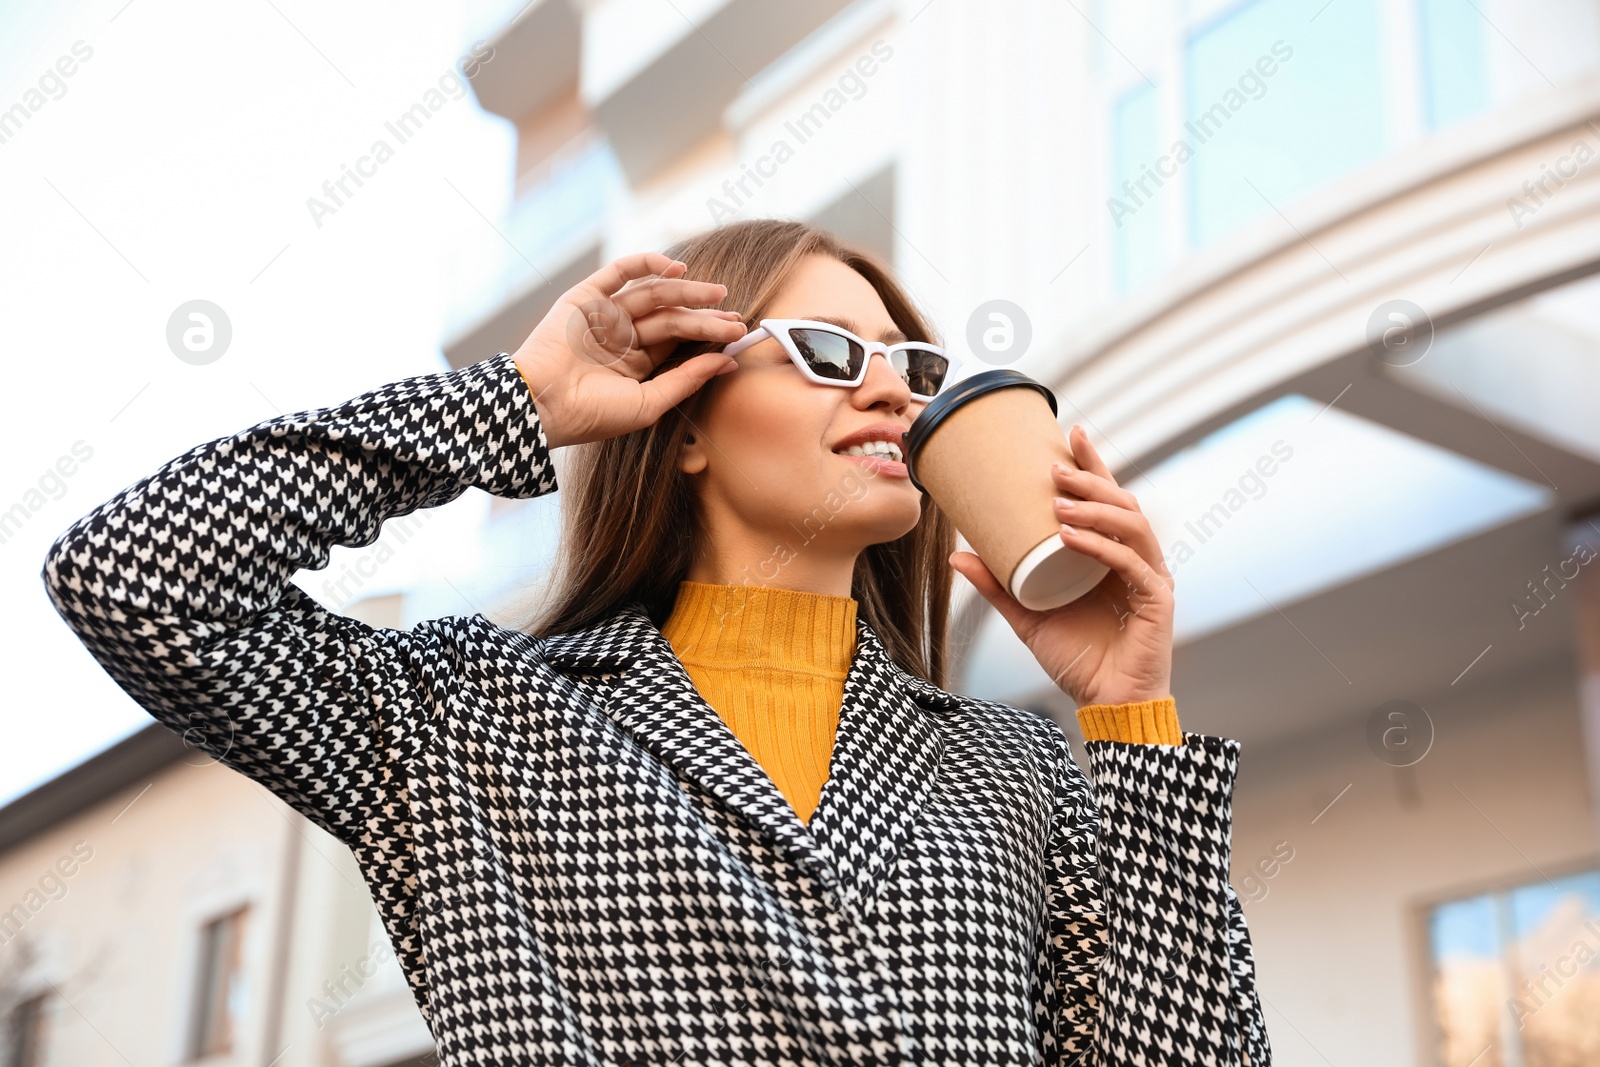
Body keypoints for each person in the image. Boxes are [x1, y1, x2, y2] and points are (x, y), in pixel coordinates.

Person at [42, 218, 1270, 1065]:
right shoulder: (469, 720)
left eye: (913, 364)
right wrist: (513, 401)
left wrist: (1127, 708)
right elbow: (130, 573)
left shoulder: (1017, 768)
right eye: (834, 354)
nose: (895, 392)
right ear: (681, 421)